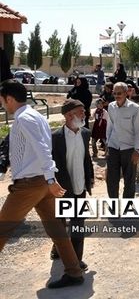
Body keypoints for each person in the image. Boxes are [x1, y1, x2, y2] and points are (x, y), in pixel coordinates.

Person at [0, 80, 84, 289]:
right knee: (56, 228)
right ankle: (74, 272)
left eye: (2, 101)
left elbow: (42, 149)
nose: (2, 105)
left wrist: (50, 179)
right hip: (41, 184)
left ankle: (74, 271)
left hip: (30, 184)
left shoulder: (24, 118)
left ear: (9, 99)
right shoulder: (36, 115)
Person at [49, 99, 95, 271]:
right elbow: (50, 164)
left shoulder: (85, 133)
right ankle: (57, 248)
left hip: (80, 186)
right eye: (81, 112)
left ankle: (76, 259)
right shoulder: (55, 137)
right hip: (62, 188)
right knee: (60, 223)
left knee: (78, 223)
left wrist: (90, 176)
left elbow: (86, 157)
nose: (84, 114)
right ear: (69, 115)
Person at [105, 82, 139, 198]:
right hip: (113, 146)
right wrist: (107, 143)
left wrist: (137, 150)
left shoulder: (134, 108)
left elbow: (138, 131)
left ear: (126, 93)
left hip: (129, 148)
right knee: (111, 179)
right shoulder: (111, 106)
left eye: (119, 93)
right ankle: (114, 205)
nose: (117, 96)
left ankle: (128, 205)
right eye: (115, 93)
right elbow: (110, 126)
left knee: (129, 180)